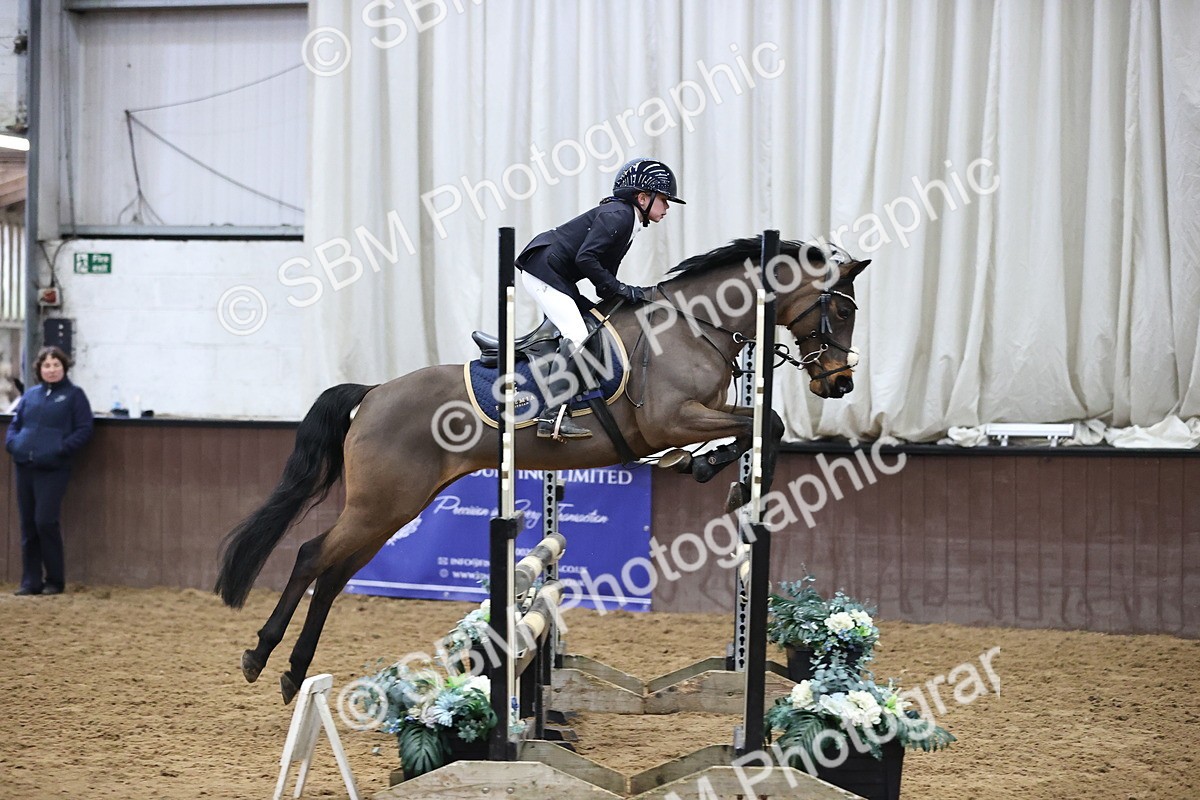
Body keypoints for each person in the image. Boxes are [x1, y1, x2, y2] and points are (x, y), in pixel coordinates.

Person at [515, 157, 684, 440]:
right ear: (643, 197)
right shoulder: (619, 215)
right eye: (664, 199)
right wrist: (620, 288)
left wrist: (625, 294)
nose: (667, 207)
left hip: (556, 274)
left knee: (595, 325)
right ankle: (552, 414)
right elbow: (586, 258)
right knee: (577, 333)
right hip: (542, 271)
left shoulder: (628, 221)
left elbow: (603, 276)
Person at [5, 346, 94, 596]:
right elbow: (16, 424)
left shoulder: (74, 396)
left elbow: (84, 429)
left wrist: (61, 449)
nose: (51, 369)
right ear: (39, 369)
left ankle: (54, 579)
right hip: (25, 467)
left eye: (56, 365)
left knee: (45, 522)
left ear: (64, 368)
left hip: (54, 468)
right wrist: (13, 444)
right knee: (28, 525)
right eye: (47, 365)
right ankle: (30, 581)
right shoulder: (30, 396)